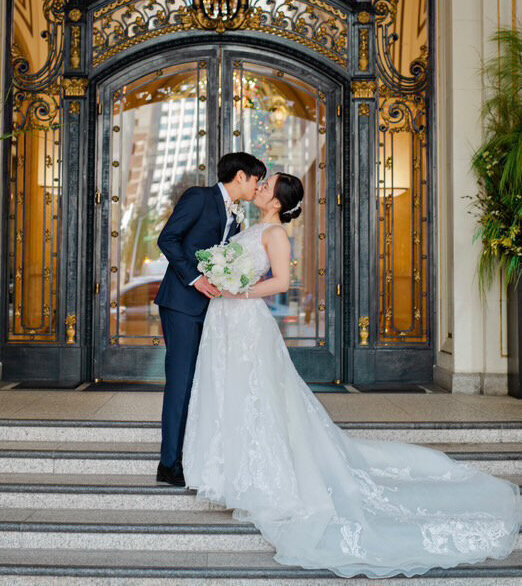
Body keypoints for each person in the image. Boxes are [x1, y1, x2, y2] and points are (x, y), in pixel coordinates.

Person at [183, 172, 520, 578]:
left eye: (266, 185)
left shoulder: (274, 233)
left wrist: (239, 289)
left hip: (246, 320)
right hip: (226, 321)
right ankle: (226, 468)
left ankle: (260, 473)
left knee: (257, 394)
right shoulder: (251, 225)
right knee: (230, 390)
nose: (259, 187)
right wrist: (222, 279)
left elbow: (282, 282)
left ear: (277, 200)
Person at [155, 151, 266, 487]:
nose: (257, 186)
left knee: (203, 382)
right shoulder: (200, 197)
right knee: (181, 382)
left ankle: (191, 454)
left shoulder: (236, 213)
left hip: (212, 310)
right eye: (257, 179)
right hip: (182, 304)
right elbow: (167, 239)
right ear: (241, 176)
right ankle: (169, 464)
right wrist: (195, 278)